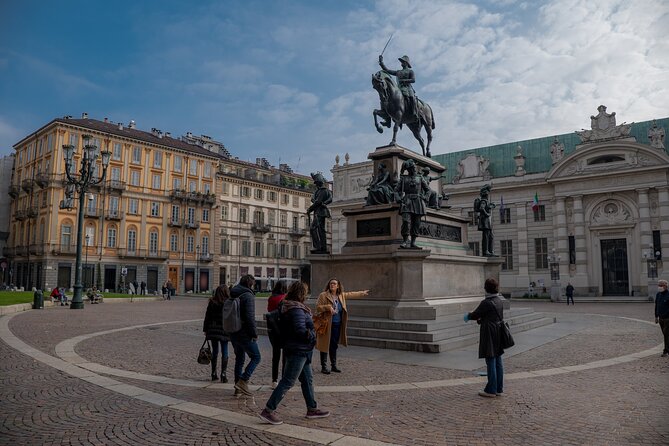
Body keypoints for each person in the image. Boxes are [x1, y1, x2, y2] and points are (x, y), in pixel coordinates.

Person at [259, 281, 330, 425]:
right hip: (298, 350)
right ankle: (268, 410)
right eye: (306, 292)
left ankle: (312, 408)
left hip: (301, 350)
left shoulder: (292, 306)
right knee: (287, 381)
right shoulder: (296, 309)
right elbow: (299, 330)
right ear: (301, 294)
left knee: (308, 380)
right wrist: (312, 334)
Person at [315, 278, 370, 374]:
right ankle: (324, 366)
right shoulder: (323, 295)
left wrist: (362, 293)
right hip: (326, 324)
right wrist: (328, 307)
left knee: (334, 345)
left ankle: (333, 365)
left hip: (337, 324)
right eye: (331, 283)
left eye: (334, 283)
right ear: (329, 285)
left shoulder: (341, 295)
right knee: (324, 344)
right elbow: (318, 308)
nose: (332, 285)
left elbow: (351, 294)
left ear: (338, 286)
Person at [465, 277, 505, 397]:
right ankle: (499, 388)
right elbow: (492, 316)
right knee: (498, 360)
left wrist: (467, 316)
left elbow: (474, 315)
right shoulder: (499, 300)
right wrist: (481, 320)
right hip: (498, 331)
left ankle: (491, 389)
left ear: (486, 288)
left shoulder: (486, 302)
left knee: (490, 359)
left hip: (489, 333)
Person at [230, 274, 261, 396]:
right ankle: (243, 380)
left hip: (233, 331)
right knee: (256, 357)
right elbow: (250, 317)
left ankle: (238, 389)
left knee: (240, 359)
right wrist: (254, 333)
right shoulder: (248, 295)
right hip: (244, 332)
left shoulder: (233, 292)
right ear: (250, 284)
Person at [395, 159, 429, 249]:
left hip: (418, 201)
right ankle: (405, 240)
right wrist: (398, 199)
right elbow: (396, 191)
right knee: (406, 221)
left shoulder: (420, 178)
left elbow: (427, 190)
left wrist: (425, 197)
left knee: (416, 223)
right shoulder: (403, 178)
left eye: (414, 167)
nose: (414, 169)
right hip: (407, 201)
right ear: (408, 169)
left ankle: (413, 242)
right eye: (412, 168)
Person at [203, 285, 231, 382]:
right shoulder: (228, 303)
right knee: (225, 351)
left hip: (213, 329)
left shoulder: (212, 302)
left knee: (215, 351)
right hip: (224, 329)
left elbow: (207, 317)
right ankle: (223, 373)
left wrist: (205, 329)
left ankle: (213, 372)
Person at [379, 54, 418, 120]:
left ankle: (414, 112)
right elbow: (387, 70)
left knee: (412, 98)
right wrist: (381, 62)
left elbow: (413, 80)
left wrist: (404, 80)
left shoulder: (410, 71)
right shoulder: (398, 72)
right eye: (401, 62)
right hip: (399, 89)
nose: (401, 63)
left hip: (408, 88)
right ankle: (387, 117)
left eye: (402, 62)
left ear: (406, 63)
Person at [267, 280, 288, 389]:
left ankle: (274, 380)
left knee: (275, 357)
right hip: (284, 329)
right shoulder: (285, 298)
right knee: (285, 356)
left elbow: (269, 311)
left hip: (273, 329)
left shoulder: (271, 298)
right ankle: (283, 378)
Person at [307, 172, 333, 254]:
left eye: (316, 183)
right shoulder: (320, 191)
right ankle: (322, 247)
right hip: (319, 212)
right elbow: (330, 198)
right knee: (320, 230)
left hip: (320, 212)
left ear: (319, 182)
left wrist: (310, 209)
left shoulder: (323, 191)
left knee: (313, 228)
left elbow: (318, 202)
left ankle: (319, 247)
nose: (316, 184)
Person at [475, 184, 496, 256]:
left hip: (487, 221)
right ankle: (486, 251)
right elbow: (481, 208)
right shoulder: (483, 201)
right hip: (485, 220)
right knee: (486, 236)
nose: (488, 195)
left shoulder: (486, 201)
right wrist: (487, 213)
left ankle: (490, 250)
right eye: (487, 193)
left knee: (491, 236)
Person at [655, 279, 669, 357]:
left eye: (661, 285)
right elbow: (656, 306)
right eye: (659, 285)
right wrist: (656, 316)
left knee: (666, 333)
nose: (659, 287)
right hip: (661, 318)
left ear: (666, 286)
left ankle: (665, 351)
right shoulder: (658, 294)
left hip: (667, 318)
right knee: (665, 334)